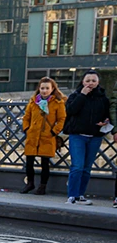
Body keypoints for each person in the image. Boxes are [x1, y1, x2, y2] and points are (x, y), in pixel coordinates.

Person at [63, 69, 110, 205]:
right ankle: (72, 195)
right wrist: (82, 95)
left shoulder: (103, 98)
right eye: (88, 80)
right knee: (77, 166)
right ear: (82, 82)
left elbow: (107, 114)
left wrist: (105, 121)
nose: (90, 83)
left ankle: (80, 195)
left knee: (87, 168)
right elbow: (70, 110)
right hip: (77, 135)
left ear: (98, 82)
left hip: (95, 136)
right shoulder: (76, 95)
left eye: (93, 81)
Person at [20, 77, 66, 196]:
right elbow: (26, 117)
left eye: (47, 88)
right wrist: (26, 129)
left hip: (47, 136)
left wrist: (54, 132)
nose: (44, 91)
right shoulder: (33, 101)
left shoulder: (57, 103)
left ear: (52, 89)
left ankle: (42, 186)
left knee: (44, 163)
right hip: (33, 135)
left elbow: (62, 119)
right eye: (42, 88)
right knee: (29, 161)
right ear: (39, 89)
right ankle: (30, 183)